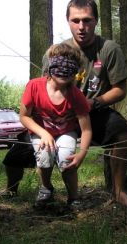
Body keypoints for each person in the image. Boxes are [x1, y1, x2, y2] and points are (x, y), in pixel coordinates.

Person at [43, 0, 127, 208]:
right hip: (59, 114)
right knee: (22, 144)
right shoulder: (56, 52)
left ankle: (118, 192)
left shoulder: (109, 49)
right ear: (67, 21)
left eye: (87, 20)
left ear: (95, 21)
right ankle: (13, 190)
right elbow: (44, 86)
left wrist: (93, 103)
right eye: (75, 20)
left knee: (123, 134)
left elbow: (120, 90)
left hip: (93, 111)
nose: (81, 26)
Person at [19, 43, 92, 207]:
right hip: (40, 131)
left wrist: (82, 154)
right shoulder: (34, 86)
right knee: (44, 155)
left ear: (76, 71)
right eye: (59, 66)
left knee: (67, 161)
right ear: (50, 66)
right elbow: (24, 116)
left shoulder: (76, 95)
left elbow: (86, 129)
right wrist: (43, 133)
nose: (64, 71)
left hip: (66, 132)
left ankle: (73, 197)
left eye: (70, 67)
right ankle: (46, 188)